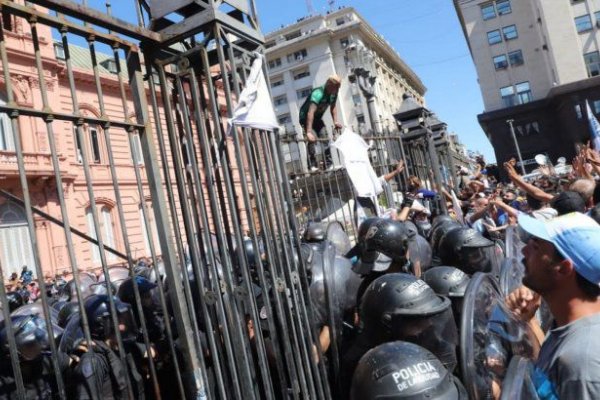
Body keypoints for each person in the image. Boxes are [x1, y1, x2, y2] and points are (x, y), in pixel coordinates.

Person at [506, 212, 600, 399]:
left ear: (564, 269)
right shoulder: (569, 323)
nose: (524, 251)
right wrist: (529, 322)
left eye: (535, 247)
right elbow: (548, 376)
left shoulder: (583, 364)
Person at [298, 75, 342, 171]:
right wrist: (308, 132)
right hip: (305, 117)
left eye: (338, 88)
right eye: (335, 88)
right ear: (329, 85)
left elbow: (333, 106)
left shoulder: (334, 92)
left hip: (317, 118)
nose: (337, 90)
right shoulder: (318, 93)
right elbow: (310, 112)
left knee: (324, 136)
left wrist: (335, 121)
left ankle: (329, 165)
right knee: (312, 138)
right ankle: (312, 165)